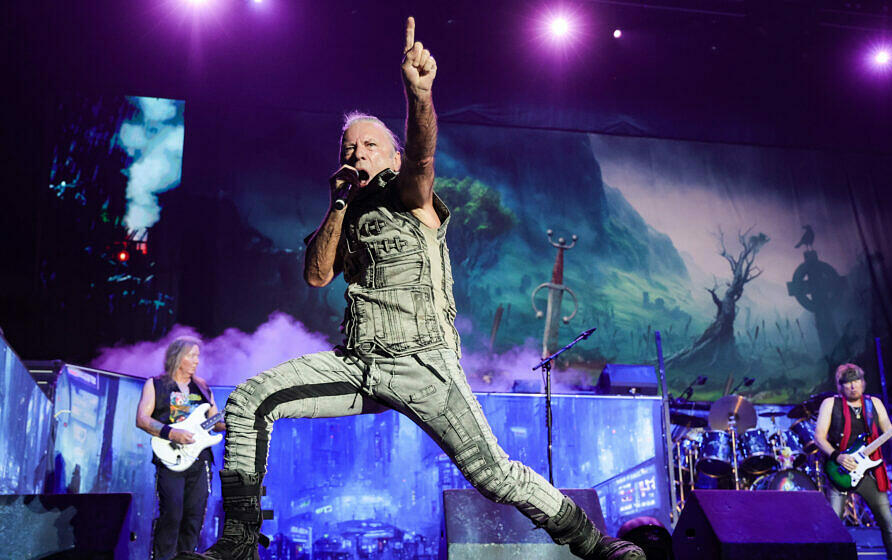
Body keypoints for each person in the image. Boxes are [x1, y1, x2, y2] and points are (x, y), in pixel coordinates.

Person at [177, 17, 644, 560]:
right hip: (359, 364)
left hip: (424, 364)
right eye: (348, 148)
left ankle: (592, 542)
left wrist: (417, 95)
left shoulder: (411, 194)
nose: (356, 154)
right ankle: (237, 543)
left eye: (369, 146)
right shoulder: (345, 211)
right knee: (250, 400)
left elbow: (422, 154)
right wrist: (338, 203)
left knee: (493, 476)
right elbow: (316, 274)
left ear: (392, 157)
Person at [137, 336, 226, 559]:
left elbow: (215, 421)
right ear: (178, 357)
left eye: (198, 356)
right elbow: (142, 418)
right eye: (192, 355)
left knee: (194, 517)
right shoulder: (156, 384)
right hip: (171, 457)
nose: (197, 360)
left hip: (200, 460)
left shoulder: (203, 387)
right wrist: (172, 432)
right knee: (172, 514)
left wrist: (237, 418)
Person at [813, 363, 892, 560]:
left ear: (863, 382)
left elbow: (890, 436)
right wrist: (837, 456)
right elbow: (819, 437)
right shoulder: (830, 404)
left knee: (888, 524)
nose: (853, 386)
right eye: (848, 382)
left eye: (856, 380)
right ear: (840, 386)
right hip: (840, 471)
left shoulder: (874, 403)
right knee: (833, 526)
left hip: (869, 473)